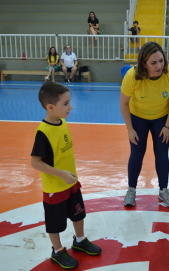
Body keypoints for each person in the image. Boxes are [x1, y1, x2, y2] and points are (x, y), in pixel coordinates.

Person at [31, 82, 101, 270]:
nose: (70, 107)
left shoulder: (62, 122)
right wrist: (60, 173)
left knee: (79, 213)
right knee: (55, 223)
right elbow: (35, 162)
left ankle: (79, 240)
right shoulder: (43, 132)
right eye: (66, 103)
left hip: (71, 183)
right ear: (51, 107)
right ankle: (58, 250)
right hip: (55, 187)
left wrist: (68, 175)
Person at [120, 42, 169, 207]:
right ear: (143, 64)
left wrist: (168, 126)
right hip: (138, 116)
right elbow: (124, 104)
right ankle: (131, 189)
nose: (159, 66)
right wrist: (130, 129)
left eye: (161, 61)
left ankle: (163, 190)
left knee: (162, 153)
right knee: (137, 153)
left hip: (162, 117)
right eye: (153, 63)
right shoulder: (132, 76)